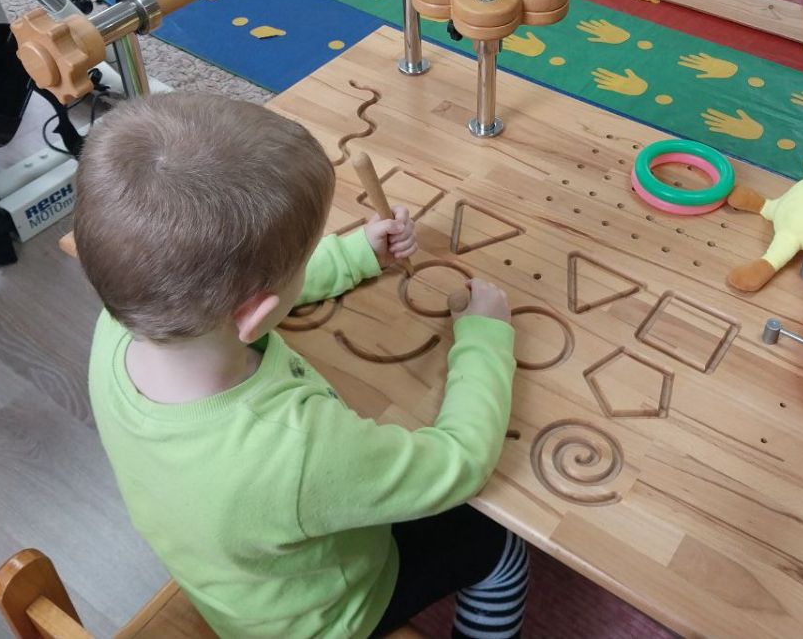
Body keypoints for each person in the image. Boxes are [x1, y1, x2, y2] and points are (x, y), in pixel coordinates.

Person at [75, 92, 526, 638]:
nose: (308, 263)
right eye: (304, 260)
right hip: (330, 616)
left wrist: (358, 253)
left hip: (241, 594)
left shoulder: (122, 324)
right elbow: (460, 464)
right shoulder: (297, 448)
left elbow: (229, 297)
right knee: (499, 546)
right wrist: (485, 338)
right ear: (257, 312)